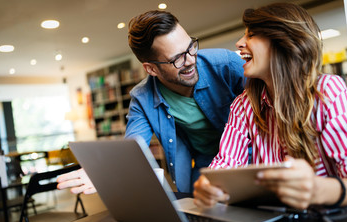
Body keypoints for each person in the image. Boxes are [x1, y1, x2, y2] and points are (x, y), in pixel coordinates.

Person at [57, 10, 245, 193]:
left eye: (190, 48)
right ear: (151, 69)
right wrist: (104, 171)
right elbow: (134, 147)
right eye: (176, 58)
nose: (189, 60)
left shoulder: (226, 65)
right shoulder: (142, 98)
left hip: (251, 155)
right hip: (206, 165)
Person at [193, 2, 347, 210]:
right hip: (272, 219)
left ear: (283, 42)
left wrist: (316, 189)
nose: (239, 43)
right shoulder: (243, 105)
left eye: (251, 35)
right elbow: (224, 164)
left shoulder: (328, 91)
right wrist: (209, 186)